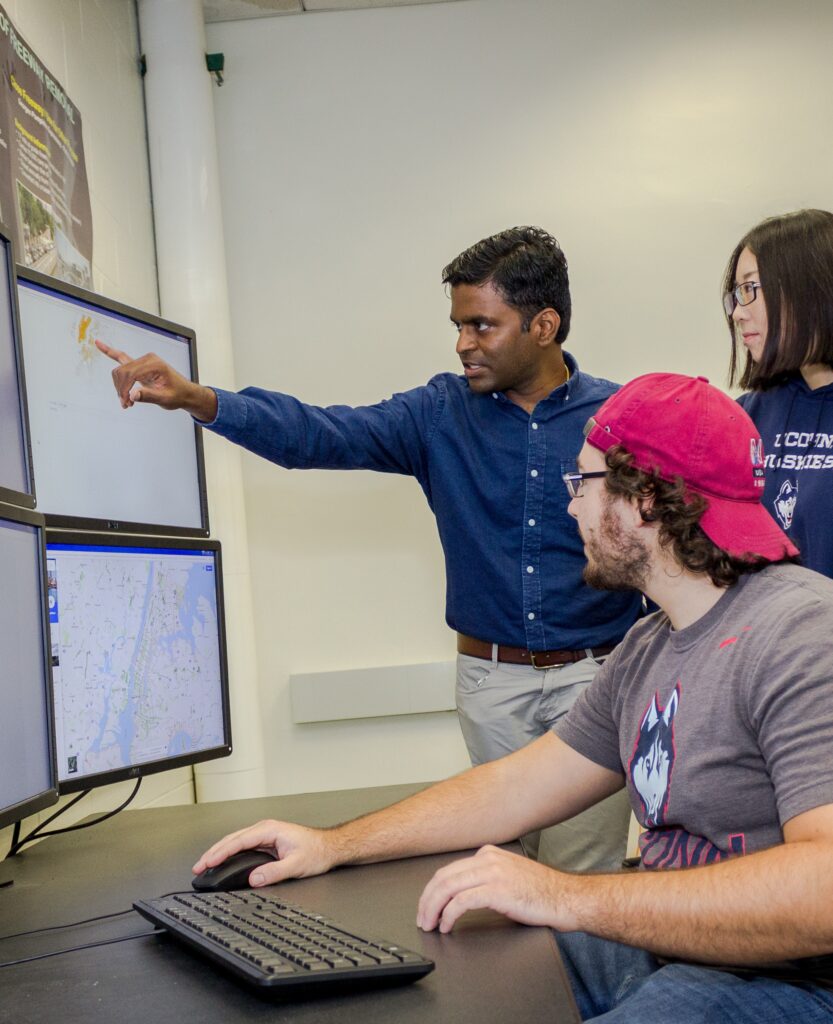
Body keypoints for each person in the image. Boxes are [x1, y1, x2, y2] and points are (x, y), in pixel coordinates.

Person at [193, 373, 833, 1023]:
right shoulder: (648, 643)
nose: (571, 508)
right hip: (674, 951)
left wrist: (566, 895)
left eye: (579, 484)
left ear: (641, 500)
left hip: (788, 981)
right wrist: (332, 845)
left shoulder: (799, 633)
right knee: (440, 974)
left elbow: (823, 895)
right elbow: (515, 789)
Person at [100, 227, 641, 872]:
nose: (464, 344)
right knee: (504, 874)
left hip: (600, 677)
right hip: (491, 684)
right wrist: (201, 400)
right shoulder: (440, 412)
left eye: (482, 326)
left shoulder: (621, 417)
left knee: (582, 880)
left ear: (544, 325)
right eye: (458, 326)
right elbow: (319, 434)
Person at [723, 208, 833, 577]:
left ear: (810, 289)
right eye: (736, 294)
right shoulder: (748, 416)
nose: (738, 312)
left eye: (750, 289)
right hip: (771, 633)